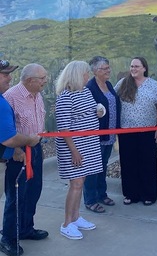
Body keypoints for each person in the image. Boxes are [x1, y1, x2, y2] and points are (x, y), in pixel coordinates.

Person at [1, 64, 49, 253]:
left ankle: (26, 228)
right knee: (16, 197)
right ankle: (8, 237)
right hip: (19, 153)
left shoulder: (38, 95)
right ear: (31, 80)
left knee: (33, 191)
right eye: (43, 78)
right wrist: (17, 150)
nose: (46, 81)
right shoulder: (10, 97)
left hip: (36, 149)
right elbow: (6, 132)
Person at [55, 61, 104, 240]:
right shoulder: (65, 96)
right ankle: (67, 223)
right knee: (75, 184)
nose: (88, 76)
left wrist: (98, 110)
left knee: (80, 183)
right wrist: (74, 152)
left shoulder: (86, 91)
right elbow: (64, 128)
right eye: (85, 73)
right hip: (74, 146)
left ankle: (76, 217)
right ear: (76, 74)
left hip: (88, 144)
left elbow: (91, 110)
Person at [114, 57, 157, 206]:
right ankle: (131, 194)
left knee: (147, 163)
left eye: (137, 66)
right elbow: (112, 98)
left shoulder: (153, 85)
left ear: (144, 68)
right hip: (126, 131)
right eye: (131, 66)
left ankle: (148, 194)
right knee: (128, 163)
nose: (133, 69)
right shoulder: (123, 83)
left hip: (148, 131)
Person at [83, 56, 121, 213]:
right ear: (95, 71)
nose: (108, 70)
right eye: (104, 68)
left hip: (109, 135)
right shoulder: (89, 87)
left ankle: (101, 194)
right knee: (92, 168)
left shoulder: (109, 84)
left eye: (108, 67)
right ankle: (90, 200)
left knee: (103, 166)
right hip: (95, 136)